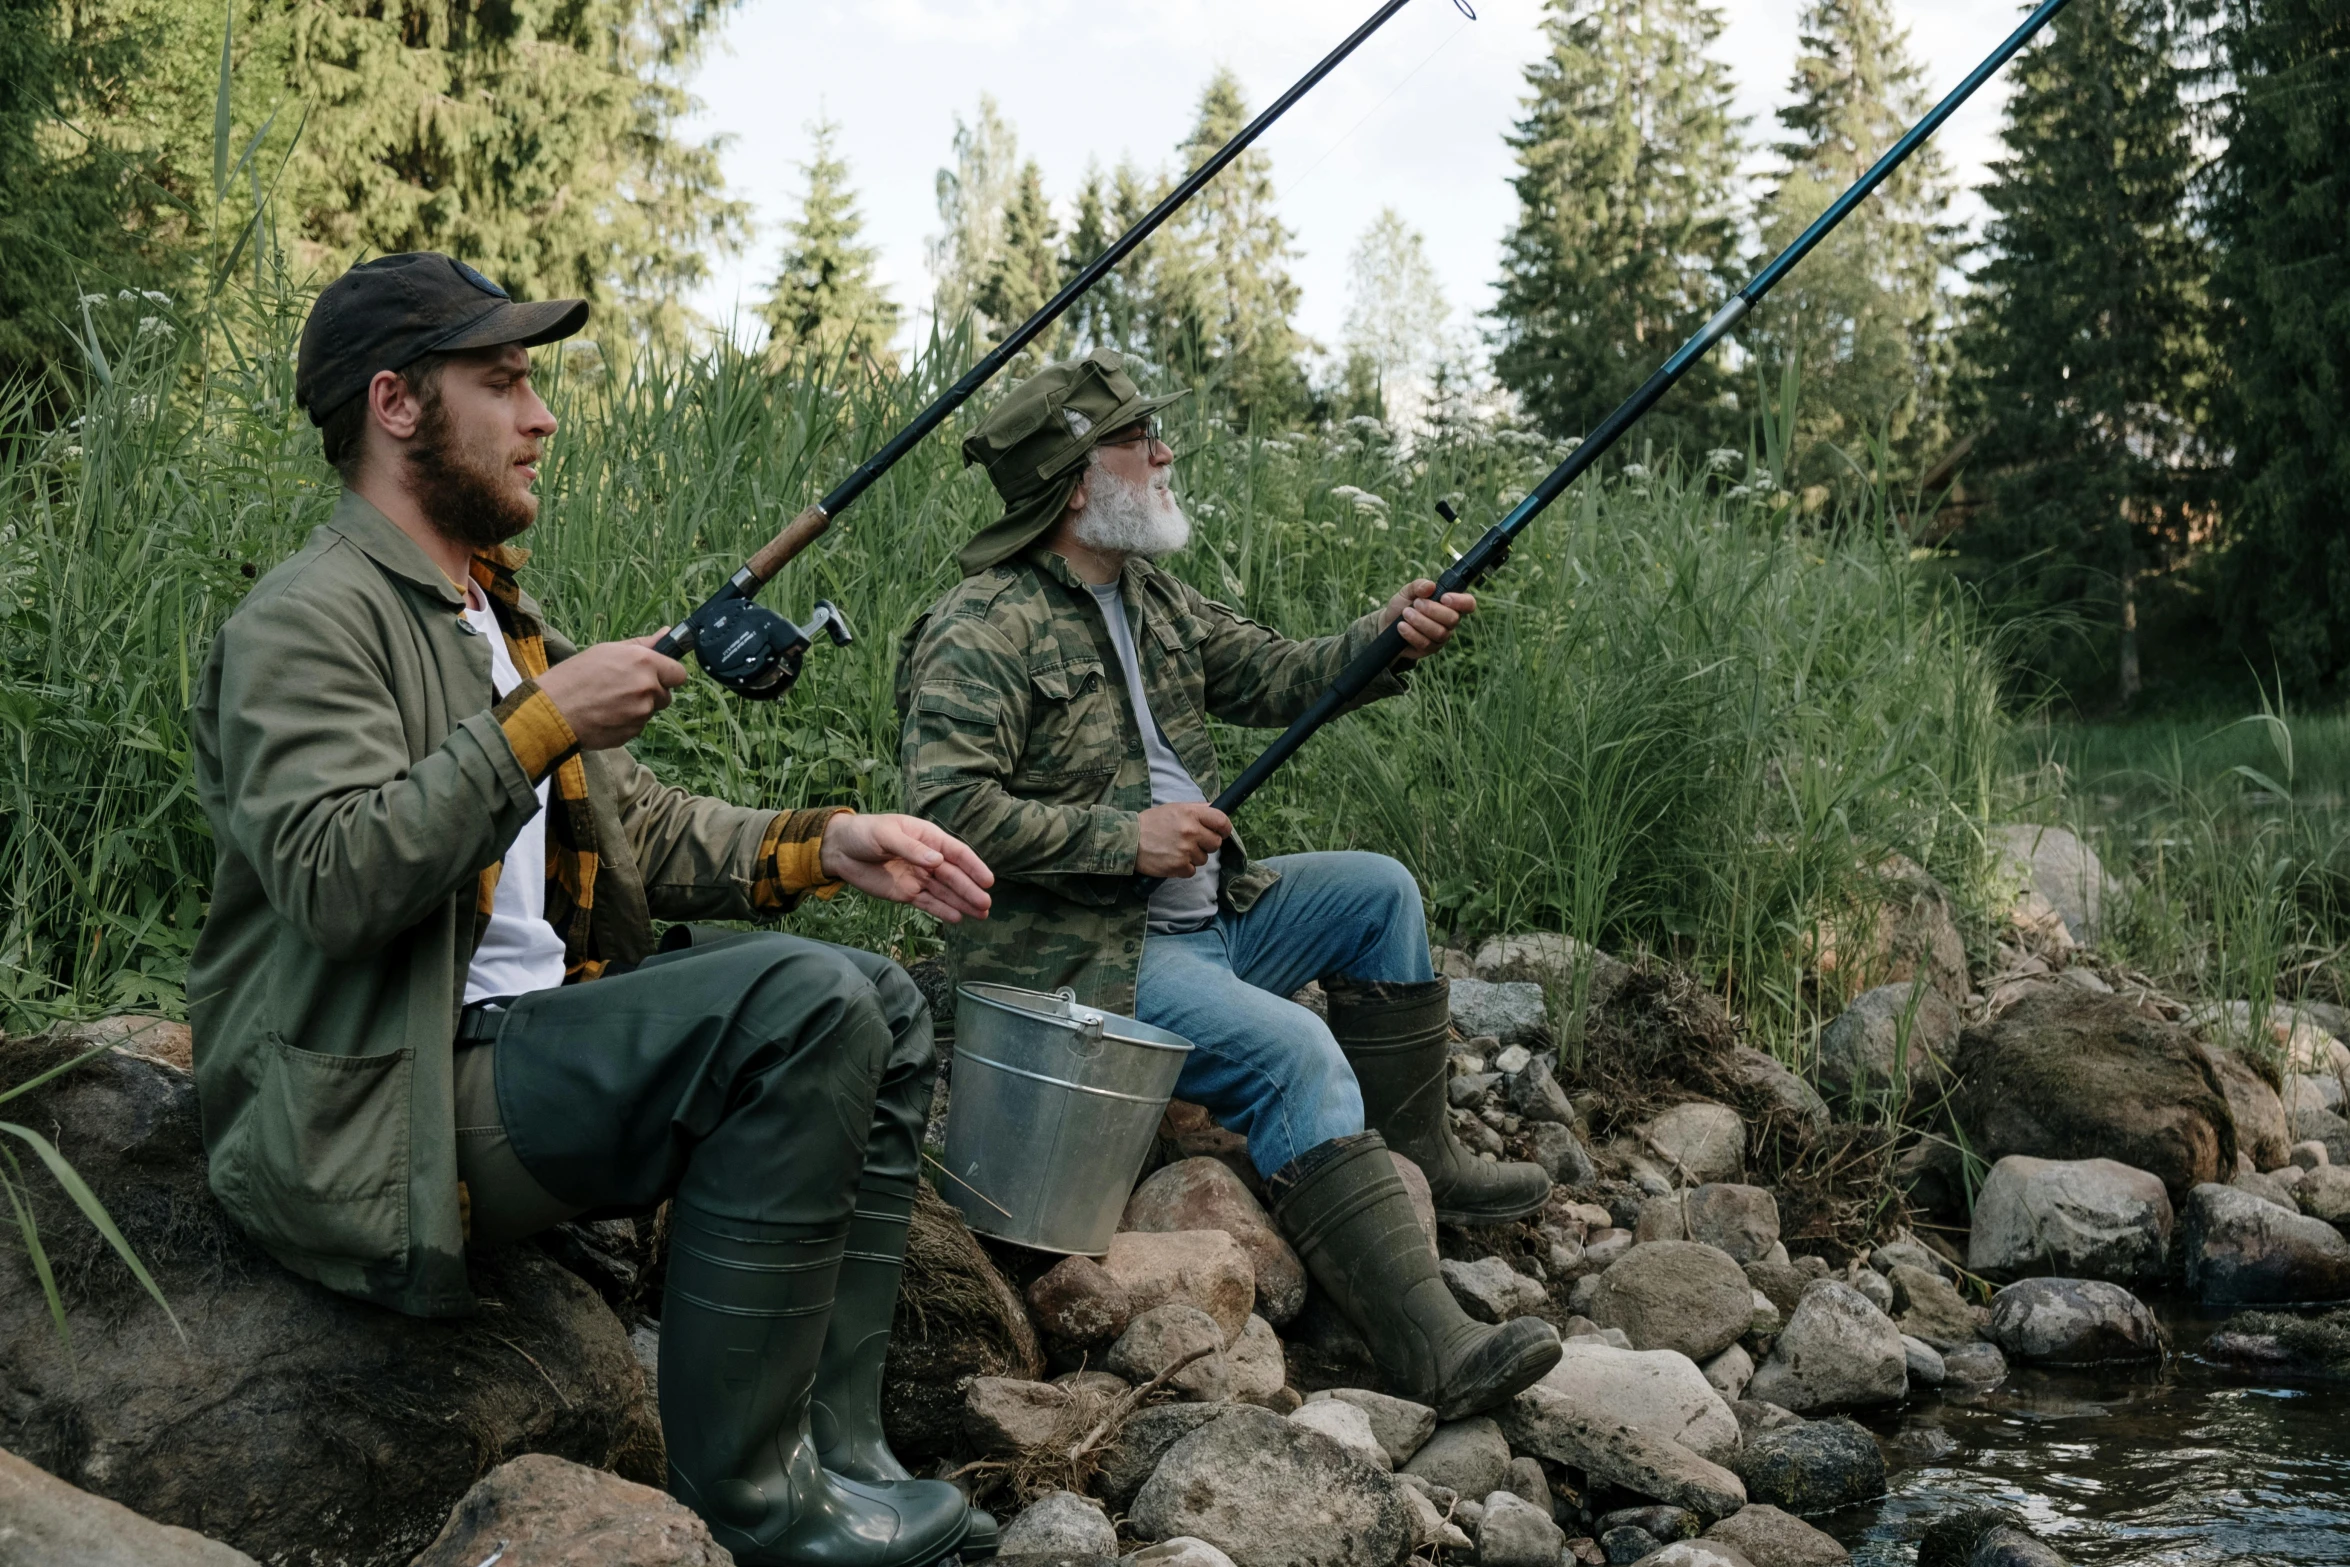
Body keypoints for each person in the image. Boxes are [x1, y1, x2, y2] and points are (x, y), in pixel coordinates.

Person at [189, 252, 1001, 1567]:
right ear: (395, 404)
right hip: (381, 1097)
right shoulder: (308, 619)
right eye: (502, 382)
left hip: (518, 1046)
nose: (540, 415)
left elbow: (644, 830)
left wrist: (828, 842)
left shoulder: (493, 614)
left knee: (889, 1004)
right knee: (795, 1008)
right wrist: (538, 723)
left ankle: (842, 1452)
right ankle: (757, 1508)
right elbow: (337, 878)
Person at [896, 348, 1561, 1419]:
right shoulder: (981, 626)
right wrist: (1126, 838)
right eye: (1136, 440)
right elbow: (941, 815)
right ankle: (1425, 1342)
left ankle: (1417, 1163)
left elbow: (1281, 673)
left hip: (1214, 926)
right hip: (1090, 967)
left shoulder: (1150, 595)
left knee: (1378, 889)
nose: (1163, 454)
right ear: (1074, 480)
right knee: (1299, 1051)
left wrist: (1385, 635)